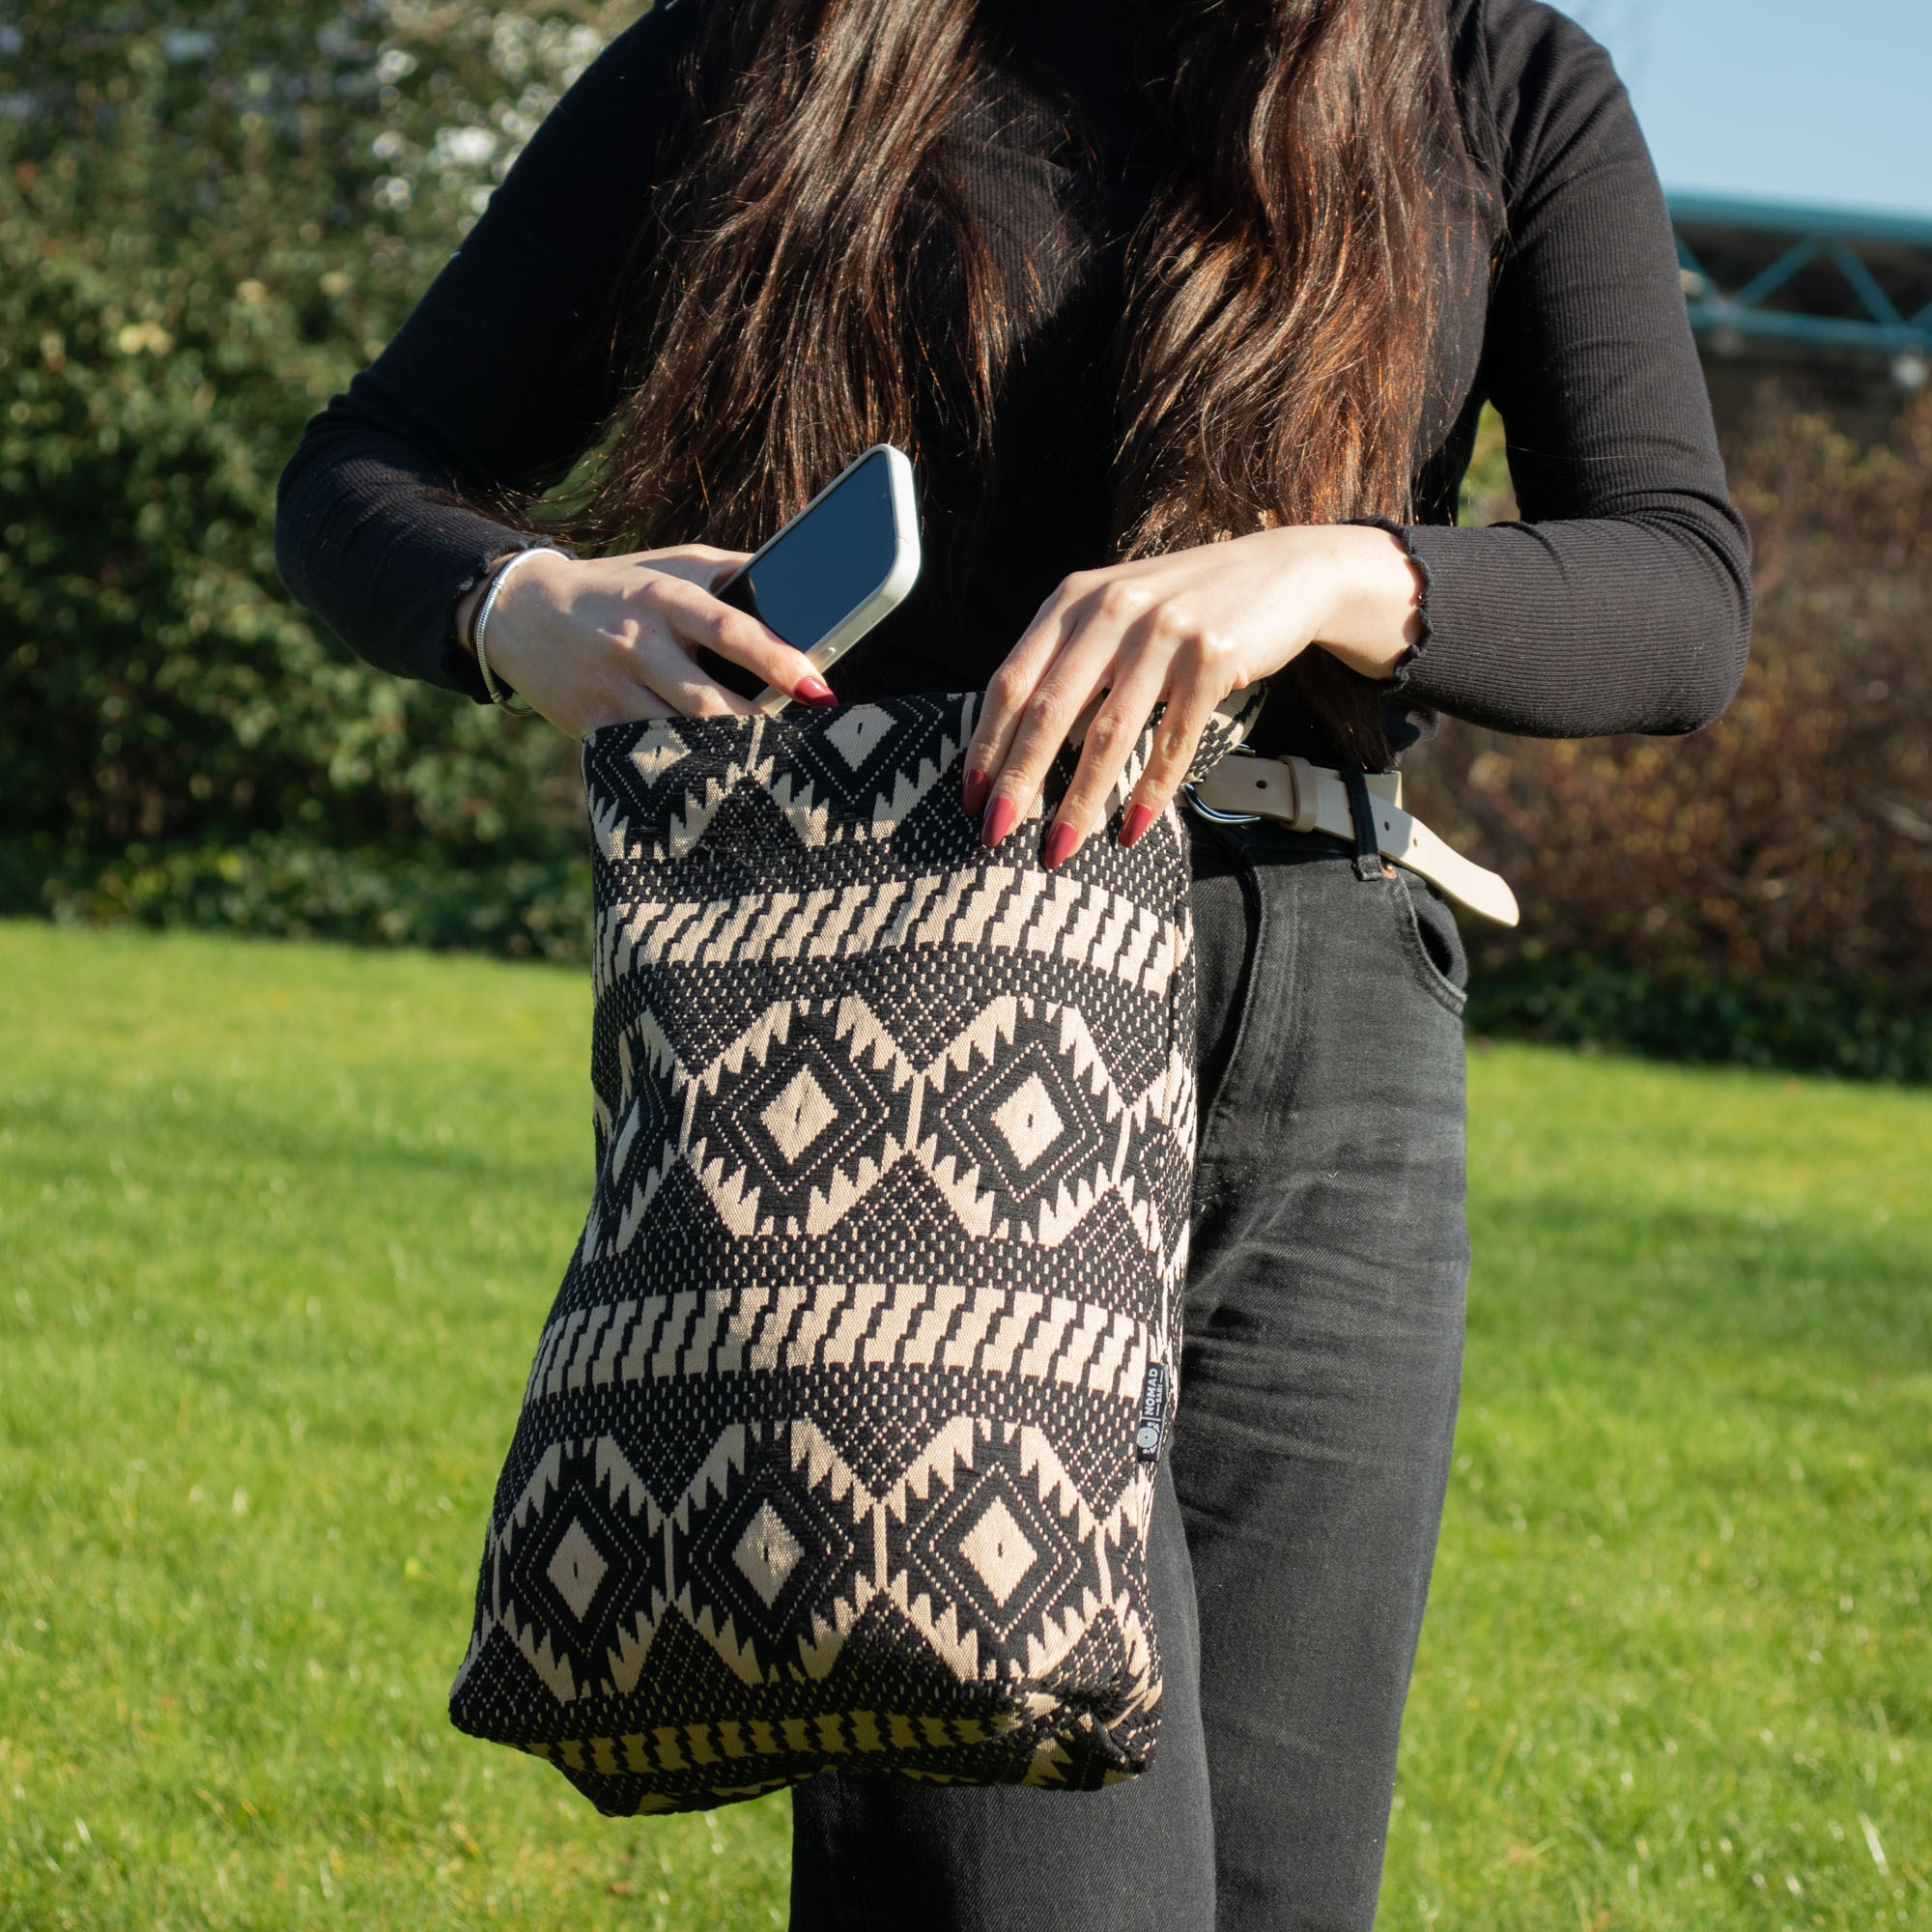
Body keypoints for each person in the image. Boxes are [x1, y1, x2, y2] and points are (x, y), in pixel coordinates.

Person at [275, 0, 1750, 1922]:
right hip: (920, 1025)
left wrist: (1332, 568)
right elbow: (365, 467)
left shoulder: (1486, 68)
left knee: (1280, 1889)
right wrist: (515, 600)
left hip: (1332, 1038)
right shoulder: (770, 46)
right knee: (1019, 1867)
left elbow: (1677, 592)